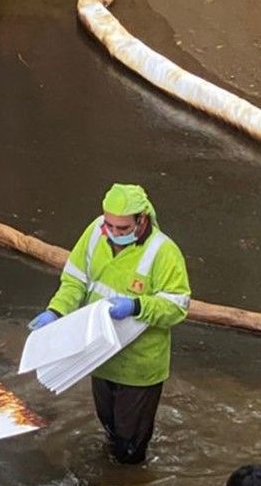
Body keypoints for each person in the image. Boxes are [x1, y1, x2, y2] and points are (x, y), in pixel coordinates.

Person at [30, 184, 190, 464]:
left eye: (122, 228)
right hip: (100, 355)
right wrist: (56, 311)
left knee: (130, 447)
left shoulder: (164, 252)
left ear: (141, 220)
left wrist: (138, 305)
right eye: (110, 225)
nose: (114, 233)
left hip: (140, 367)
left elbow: (177, 307)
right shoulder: (95, 233)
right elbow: (75, 281)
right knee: (109, 428)